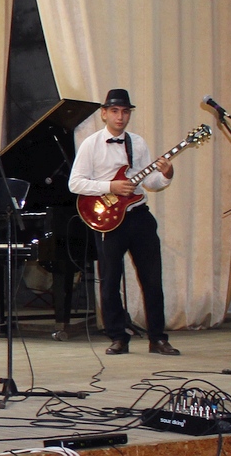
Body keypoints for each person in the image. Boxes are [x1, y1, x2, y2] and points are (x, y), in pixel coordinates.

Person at [68, 89, 179, 356]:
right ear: (104, 114)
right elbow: (75, 183)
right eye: (115, 111)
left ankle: (158, 338)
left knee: (152, 279)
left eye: (125, 111)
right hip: (109, 220)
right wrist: (111, 186)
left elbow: (149, 182)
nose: (121, 117)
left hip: (139, 216)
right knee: (109, 282)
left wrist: (166, 174)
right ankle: (118, 337)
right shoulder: (91, 144)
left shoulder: (137, 143)